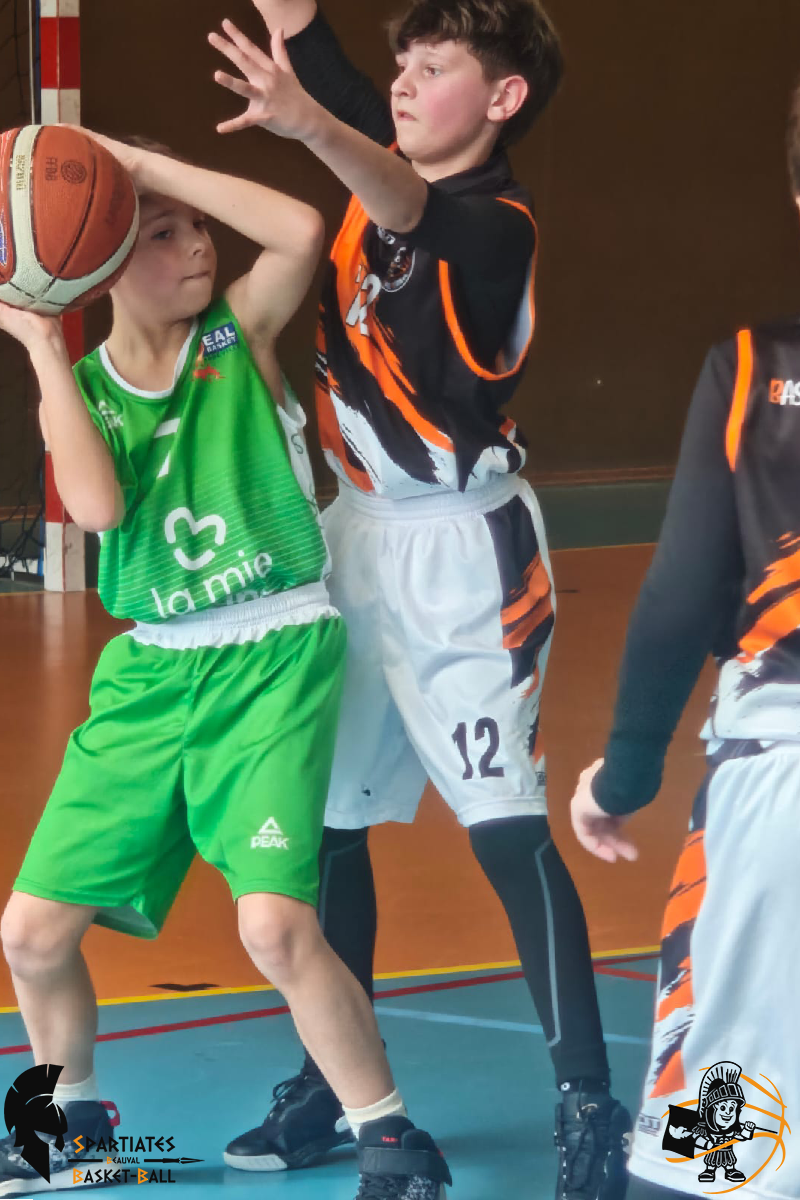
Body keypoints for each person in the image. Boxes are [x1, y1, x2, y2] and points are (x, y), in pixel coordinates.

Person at [210, 3, 631, 1195]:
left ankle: (586, 1106)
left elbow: (400, 200)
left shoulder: (495, 226)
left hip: (463, 555)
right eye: (401, 62)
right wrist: (302, 43)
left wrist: (307, 124)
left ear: (500, 98)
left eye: (432, 66)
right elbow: (323, 60)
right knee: (328, 820)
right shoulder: (381, 136)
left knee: (503, 825)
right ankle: (335, 1085)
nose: (401, 82)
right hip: (354, 537)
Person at [0, 133, 450, 1199]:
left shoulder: (235, 336)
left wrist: (135, 170)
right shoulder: (84, 389)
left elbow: (299, 229)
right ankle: (71, 1130)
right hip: (154, 670)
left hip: (273, 652)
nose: (197, 244)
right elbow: (96, 510)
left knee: (274, 926)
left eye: (197, 227)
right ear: (105, 263)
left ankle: (391, 1139)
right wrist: (42, 347)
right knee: (31, 932)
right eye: (165, 235)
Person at [569, 78, 800, 1200]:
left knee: (724, 1152)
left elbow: (676, 599)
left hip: (780, 784)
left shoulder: (754, 369)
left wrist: (622, 773)